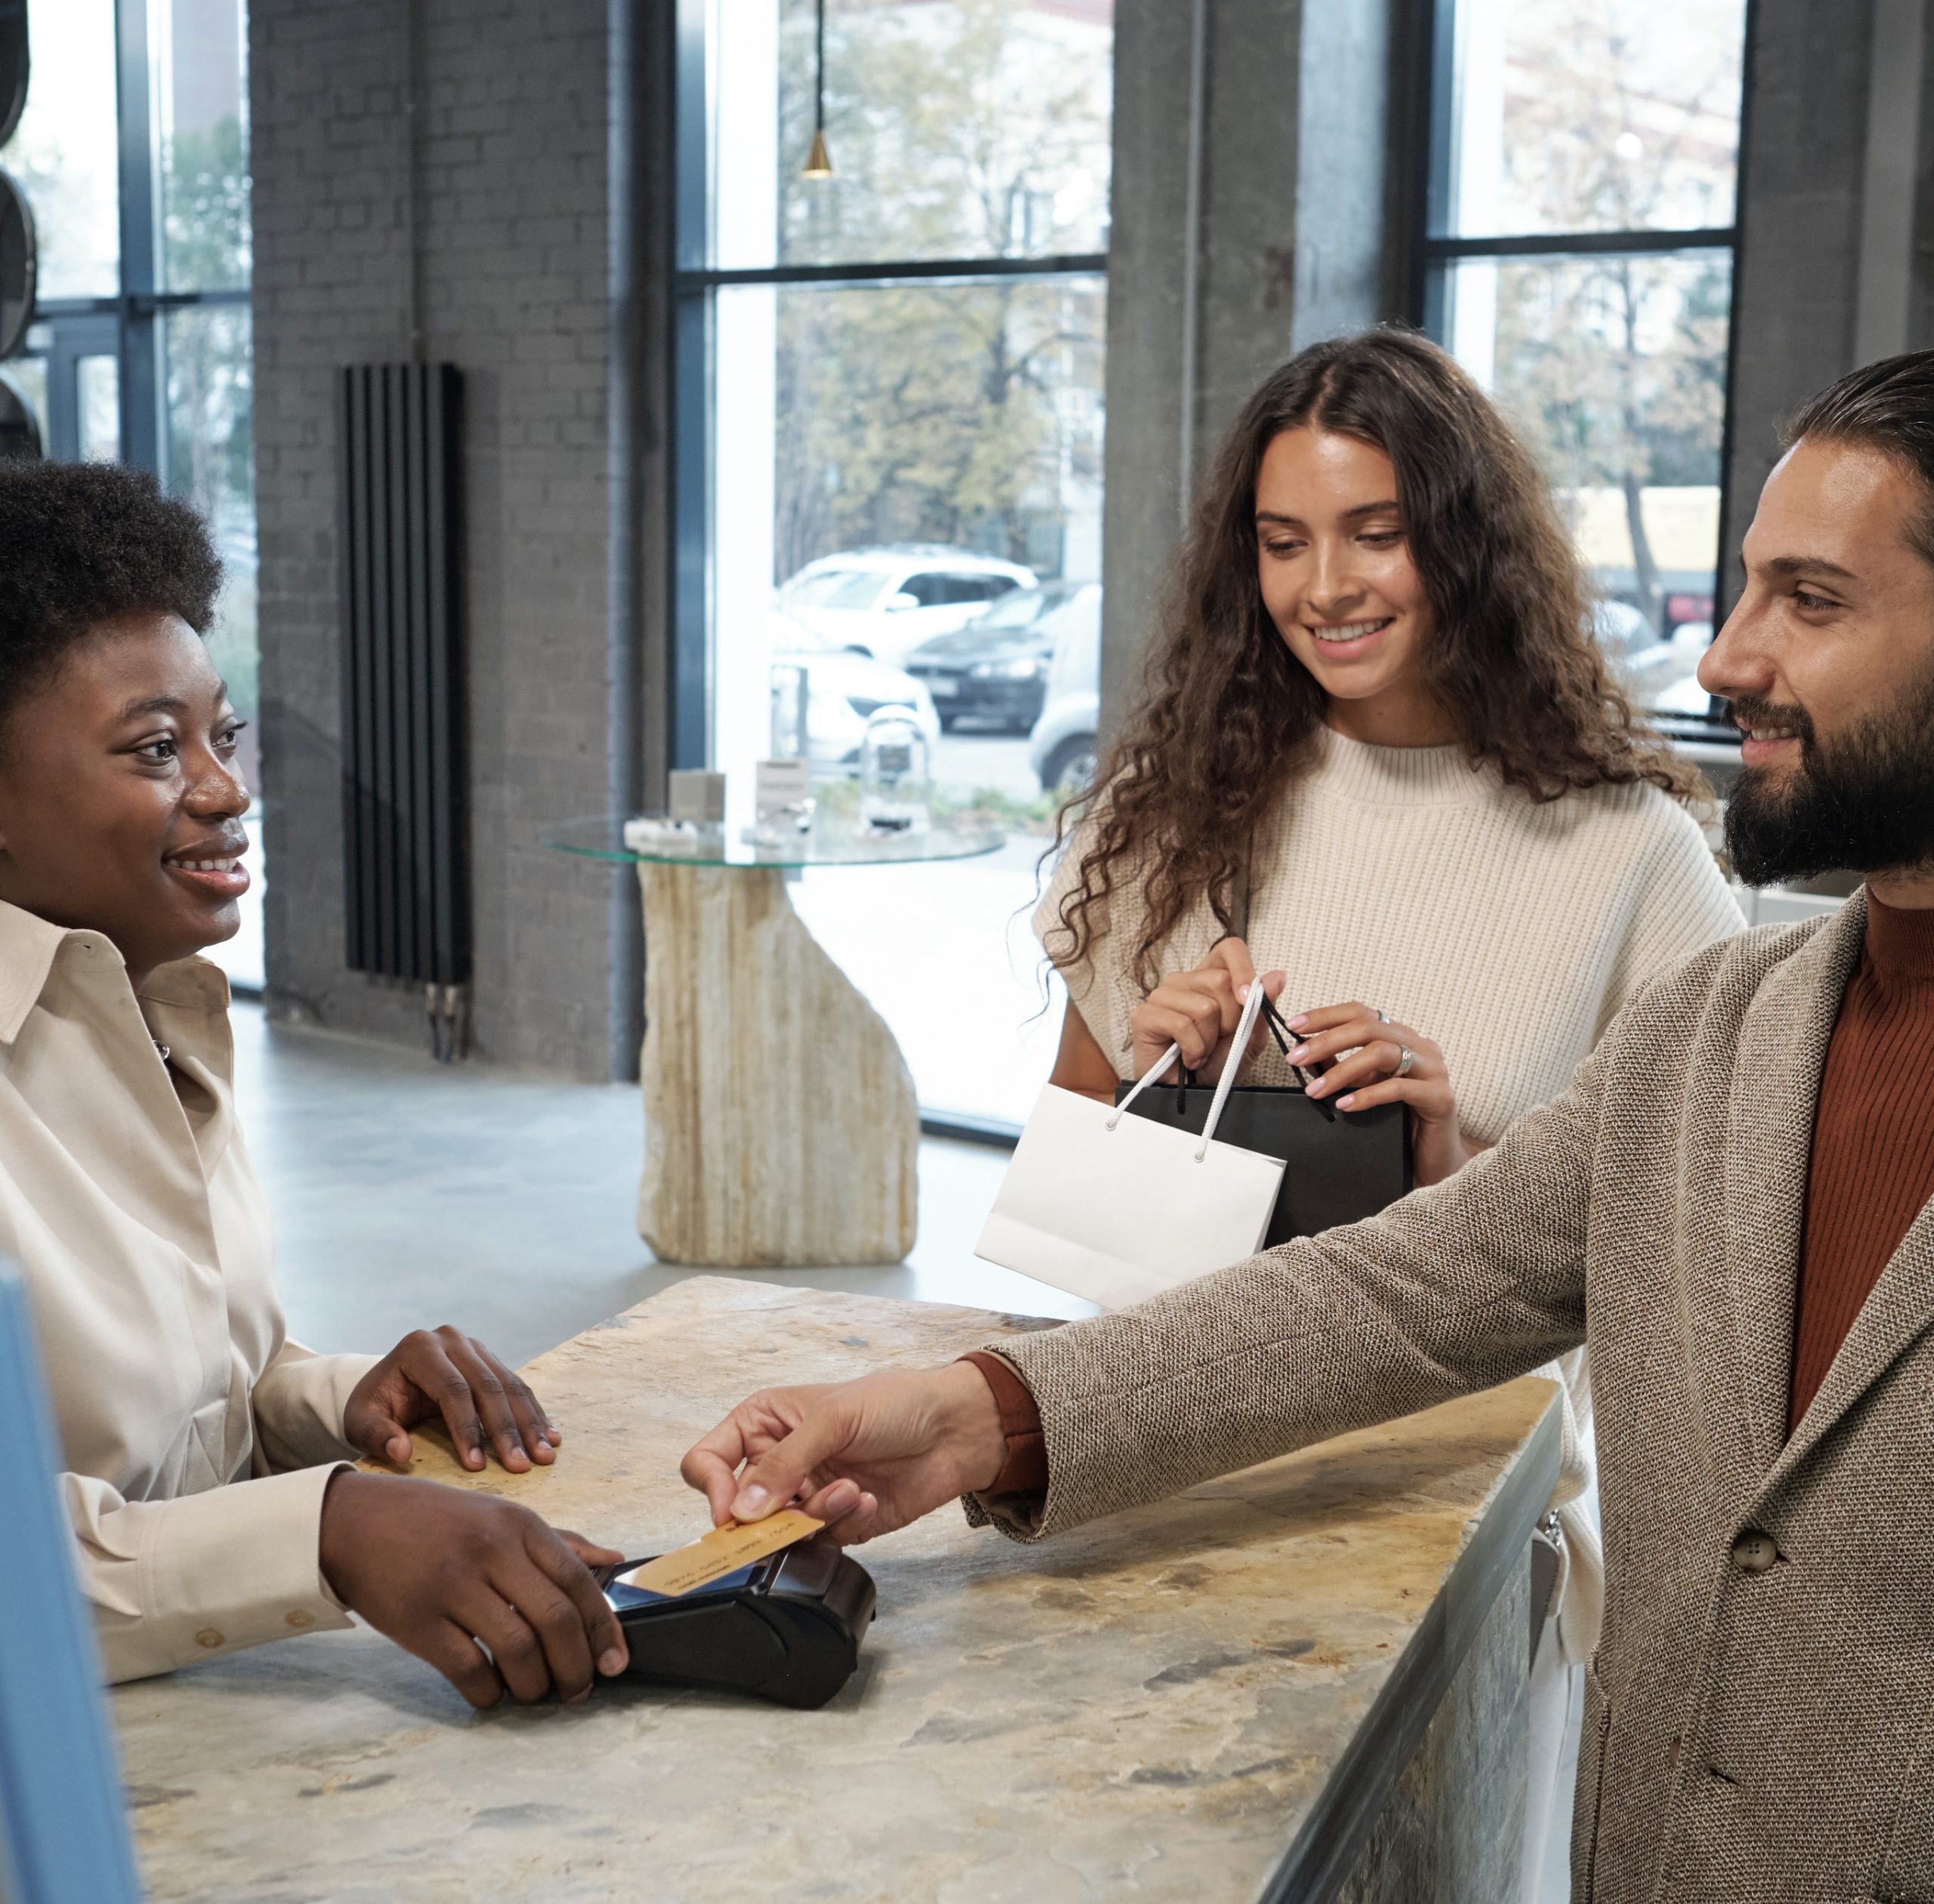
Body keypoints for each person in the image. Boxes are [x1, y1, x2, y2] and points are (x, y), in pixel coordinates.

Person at [683, 348, 1934, 1903]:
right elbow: (1393, 1294)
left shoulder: (1625, 857)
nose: (1725, 655)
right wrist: (957, 1410)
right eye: (1743, 589)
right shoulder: (1721, 1033)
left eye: (1807, 600)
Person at [1033, 328, 1741, 1889]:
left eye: (1374, 532)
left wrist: (1455, 1153)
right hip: (1173, 1481)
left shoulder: (1626, 854)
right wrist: (1151, 1067)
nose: (1322, 586)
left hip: (1453, 1518)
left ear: (1464, 545)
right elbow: (1061, 1233)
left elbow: (1694, 1276)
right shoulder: (1167, 813)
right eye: (1281, 541)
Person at [0, 461, 627, 1707]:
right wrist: (327, 1534)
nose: (227, 791)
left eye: (221, 735)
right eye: (156, 750)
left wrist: (341, 1406)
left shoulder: (153, 1006)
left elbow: (185, 1401)